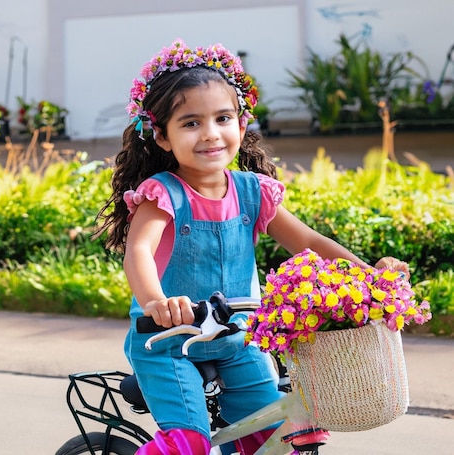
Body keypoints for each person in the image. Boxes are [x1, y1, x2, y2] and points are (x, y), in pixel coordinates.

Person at [94, 39, 409, 455]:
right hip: (167, 342)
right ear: (163, 137)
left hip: (239, 340)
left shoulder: (253, 192)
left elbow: (310, 243)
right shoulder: (162, 194)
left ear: (241, 127)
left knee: (274, 438)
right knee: (188, 444)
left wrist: (371, 276)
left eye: (222, 118)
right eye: (190, 123)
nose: (210, 134)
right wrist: (157, 301)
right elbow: (138, 252)